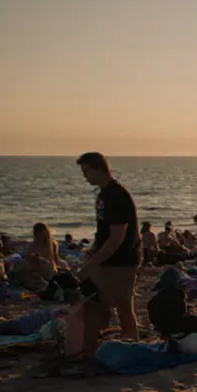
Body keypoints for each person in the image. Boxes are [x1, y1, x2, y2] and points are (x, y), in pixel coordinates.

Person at [76, 152, 142, 355]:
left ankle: (128, 341)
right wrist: (92, 253)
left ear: (98, 169)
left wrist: (93, 263)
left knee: (119, 303)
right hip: (108, 259)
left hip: (122, 260)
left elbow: (116, 237)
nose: (84, 176)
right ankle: (96, 344)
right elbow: (102, 231)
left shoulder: (117, 195)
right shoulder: (103, 195)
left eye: (86, 171)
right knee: (103, 303)